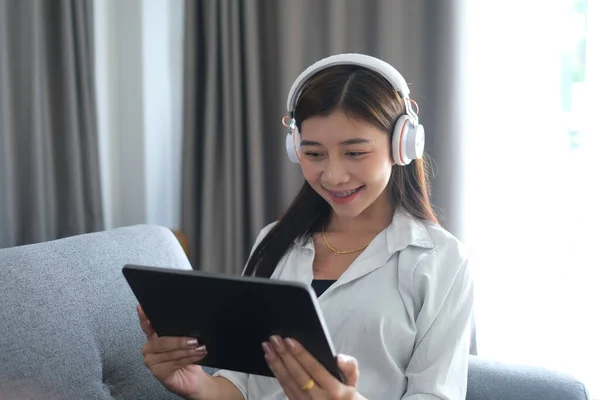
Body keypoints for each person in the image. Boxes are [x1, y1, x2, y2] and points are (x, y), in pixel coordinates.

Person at [137, 53, 475, 400]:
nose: (333, 176)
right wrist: (198, 385)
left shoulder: (440, 260)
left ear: (401, 145)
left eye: (355, 153)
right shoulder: (273, 242)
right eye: (314, 154)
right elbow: (242, 386)